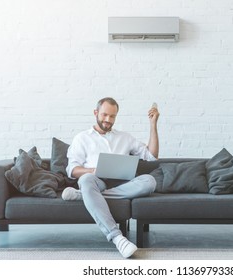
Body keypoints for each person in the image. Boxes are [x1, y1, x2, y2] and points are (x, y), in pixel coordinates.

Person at [61, 97, 159, 258]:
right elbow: (72, 169)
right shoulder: (82, 138)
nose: (108, 120)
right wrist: (93, 170)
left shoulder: (125, 137)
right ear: (96, 113)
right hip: (95, 182)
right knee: (85, 180)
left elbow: (152, 156)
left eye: (112, 116)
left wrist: (153, 124)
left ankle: (85, 196)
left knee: (149, 181)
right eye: (105, 115)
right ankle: (117, 238)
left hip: (122, 184)